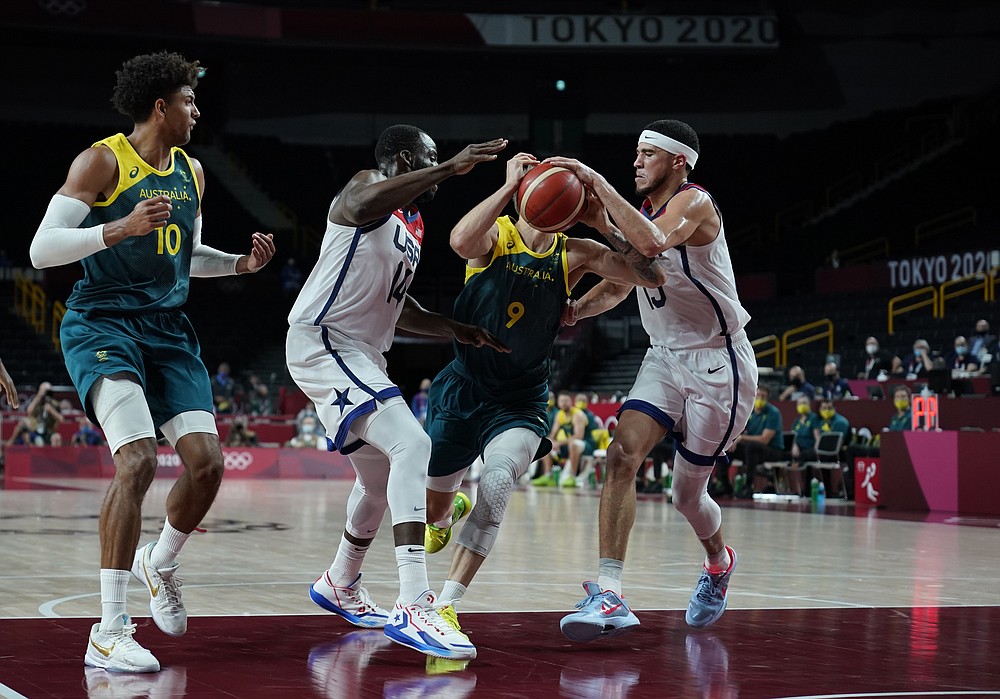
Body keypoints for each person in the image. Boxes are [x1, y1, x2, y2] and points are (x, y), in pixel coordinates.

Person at [29, 51, 275, 673]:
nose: (198, 111)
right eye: (190, 101)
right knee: (137, 459)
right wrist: (117, 230)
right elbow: (41, 250)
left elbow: (183, 255)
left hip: (168, 330)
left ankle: (160, 560)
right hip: (102, 324)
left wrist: (239, 266)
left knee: (208, 467)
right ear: (161, 106)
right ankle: (109, 628)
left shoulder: (192, 170)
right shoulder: (102, 160)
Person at [286, 124, 509, 661]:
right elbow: (361, 200)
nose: (438, 169)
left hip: (362, 353)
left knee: (381, 477)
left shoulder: (413, 223)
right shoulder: (365, 188)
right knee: (415, 445)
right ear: (406, 158)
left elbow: (397, 304)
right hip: (325, 339)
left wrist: (453, 327)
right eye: (429, 160)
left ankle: (341, 580)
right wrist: (450, 166)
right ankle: (414, 600)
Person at [420, 151, 666, 635]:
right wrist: (507, 188)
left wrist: (598, 218)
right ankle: (447, 513)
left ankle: (446, 605)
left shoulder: (575, 252)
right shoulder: (497, 235)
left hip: (521, 398)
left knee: (497, 482)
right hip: (464, 387)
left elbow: (650, 275)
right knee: (434, 512)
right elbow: (458, 240)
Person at [546, 119, 756, 638]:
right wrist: (575, 310)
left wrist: (596, 191)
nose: (636, 162)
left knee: (686, 495)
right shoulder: (640, 216)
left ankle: (718, 561)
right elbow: (624, 281)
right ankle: (610, 592)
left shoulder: (695, 204)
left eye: (646, 154)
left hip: (718, 362)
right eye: (634, 154)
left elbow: (654, 243)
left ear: (678, 160)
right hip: (663, 358)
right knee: (620, 455)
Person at [724, 386, 785, 498]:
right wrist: (734, 440)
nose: (760, 398)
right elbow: (740, 430)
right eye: (758, 395)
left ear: (767, 398)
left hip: (773, 450)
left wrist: (741, 438)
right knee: (727, 448)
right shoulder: (749, 412)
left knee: (751, 447)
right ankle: (725, 487)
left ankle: (748, 486)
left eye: (764, 396)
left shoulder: (773, 413)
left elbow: (764, 440)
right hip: (752, 450)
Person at [533, 391, 595, 488]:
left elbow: (579, 436)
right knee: (546, 443)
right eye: (561, 400)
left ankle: (572, 476)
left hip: (586, 444)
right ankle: (548, 475)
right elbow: (553, 434)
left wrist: (559, 443)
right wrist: (553, 442)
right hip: (569, 444)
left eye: (566, 400)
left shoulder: (577, 414)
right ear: (558, 402)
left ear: (571, 401)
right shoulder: (560, 414)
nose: (564, 403)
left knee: (574, 444)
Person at [786, 396, 820, 496]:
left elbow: (817, 437)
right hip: (798, 450)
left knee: (806, 457)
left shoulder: (814, 418)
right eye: (800, 403)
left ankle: (806, 490)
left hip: (810, 449)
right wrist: (794, 446)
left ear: (809, 405)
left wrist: (816, 451)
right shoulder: (796, 421)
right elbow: (793, 437)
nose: (802, 406)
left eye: (805, 403)